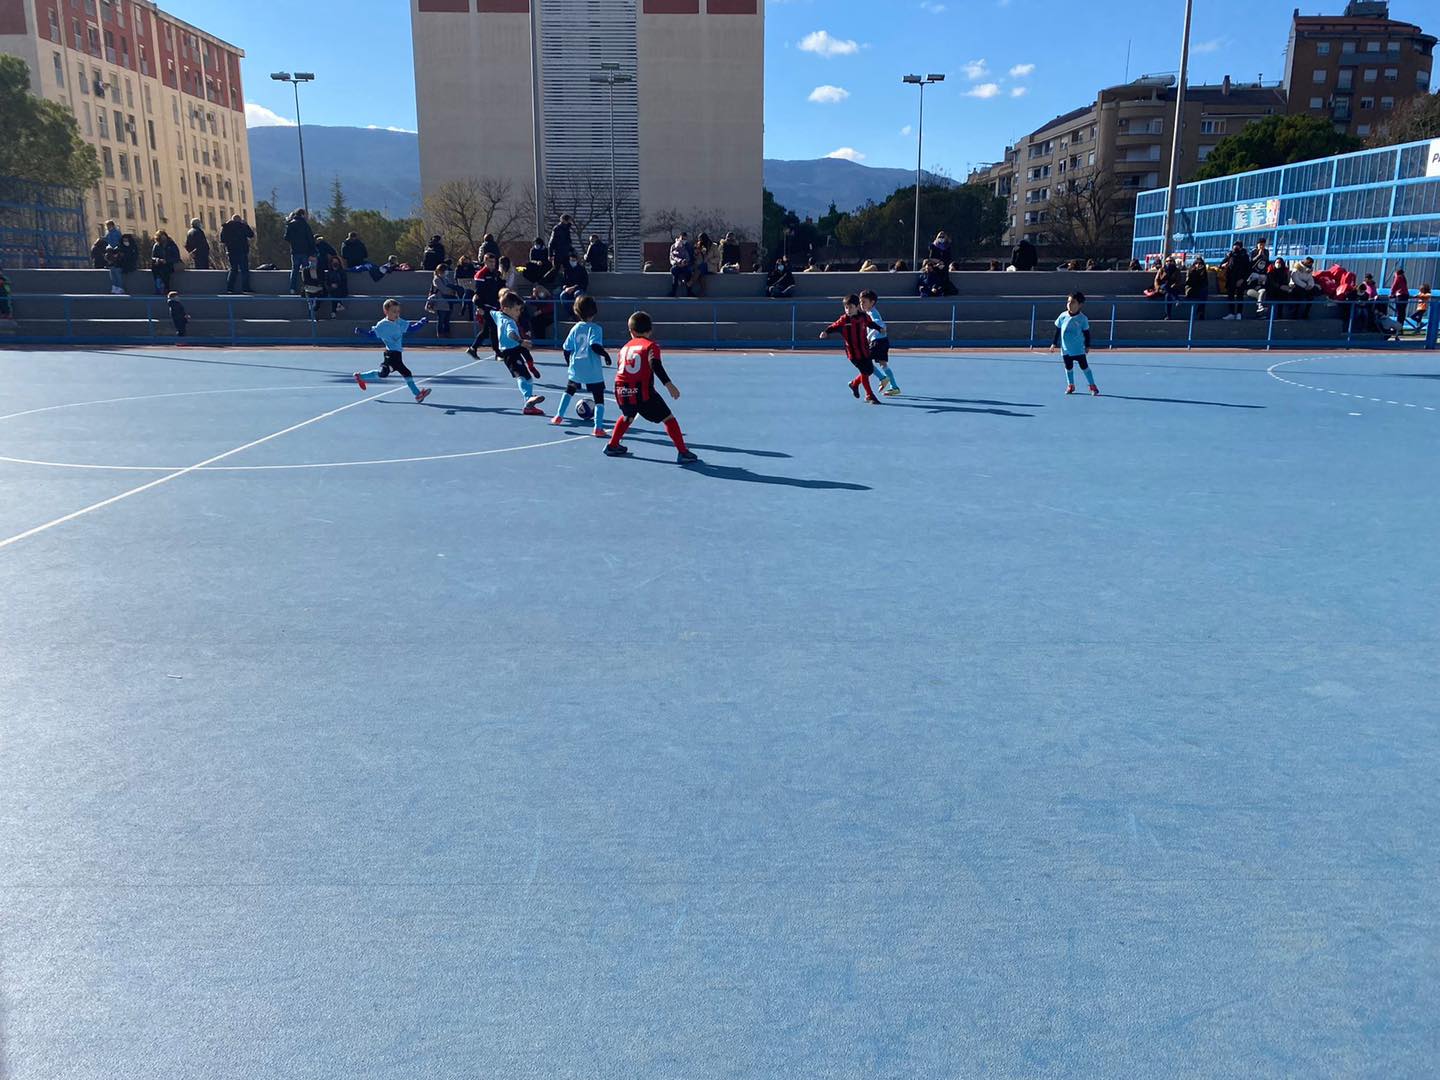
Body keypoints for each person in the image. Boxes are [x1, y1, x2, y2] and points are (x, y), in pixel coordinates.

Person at [603, 310, 698, 464]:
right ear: (650, 330)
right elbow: (655, 364)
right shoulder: (650, 346)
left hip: (620, 389)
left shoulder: (624, 348)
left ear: (631, 331)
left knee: (628, 415)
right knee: (668, 418)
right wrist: (668, 384)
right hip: (642, 391)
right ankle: (683, 452)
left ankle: (612, 445)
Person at [552, 294, 612, 436]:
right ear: (595, 311)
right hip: (592, 370)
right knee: (599, 398)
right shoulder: (596, 329)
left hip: (576, 368)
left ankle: (558, 416)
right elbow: (594, 345)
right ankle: (598, 427)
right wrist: (606, 355)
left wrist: (570, 365)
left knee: (569, 391)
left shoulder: (575, 328)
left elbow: (566, 349)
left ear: (576, 312)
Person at [352, 300, 432, 403]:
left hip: (397, 354)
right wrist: (362, 331)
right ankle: (417, 394)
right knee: (401, 373)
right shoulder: (382, 325)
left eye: (398, 311)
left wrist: (421, 323)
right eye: (394, 311)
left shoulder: (399, 321)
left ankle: (360, 376)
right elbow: (372, 334)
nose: (397, 313)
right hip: (390, 354)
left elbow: (412, 329)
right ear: (386, 311)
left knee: (388, 373)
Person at [819, 294, 882, 405]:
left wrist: (879, 328)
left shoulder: (863, 317)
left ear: (857, 306)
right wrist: (826, 332)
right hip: (853, 354)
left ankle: (854, 384)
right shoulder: (844, 320)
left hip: (865, 350)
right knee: (864, 371)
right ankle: (869, 395)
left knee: (869, 370)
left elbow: (870, 323)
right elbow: (834, 326)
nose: (848, 310)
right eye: (846, 308)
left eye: (851, 307)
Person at [493, 291, 547, 415]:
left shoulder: (498, 314)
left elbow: (491, 312)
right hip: (510, 352)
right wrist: (521, 341)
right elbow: (510, 334)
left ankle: (529, 406)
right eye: (516, 310)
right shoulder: (509, 322)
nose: (518, 313)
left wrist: (482, 309)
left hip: (514, 350)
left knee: (528, 378)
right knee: (521, 375)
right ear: (506, 309)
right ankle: (528, 398)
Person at [1050, 291, 1099, 396]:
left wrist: (1087, 345)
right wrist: (1054, 343)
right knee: (1068, 367)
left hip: (1078, 349)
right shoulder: (1062, 316)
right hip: (1065, 349)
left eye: (1073, 302)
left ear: (1080, 305)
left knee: (1084, 367)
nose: (1069, 304)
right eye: (1068, 302)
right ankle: (1070, 385)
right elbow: (1057, 330)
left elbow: (1087, 333)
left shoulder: (1083, 319)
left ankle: (1092, 386)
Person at [858, 289, 901, 397]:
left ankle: (883, 378)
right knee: (883, 364)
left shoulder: (872, 313)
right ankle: (894, 387)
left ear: (872, 302)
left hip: (878, 342)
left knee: (865, 361)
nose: (861, 304)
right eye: (860, 301)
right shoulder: (869, 312)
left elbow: (880, 325)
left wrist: (868, 337)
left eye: (864, 302)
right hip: (882, 341)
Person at [465, 252, 506, 358]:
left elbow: (499, 287)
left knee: (487, 330)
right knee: (493, 328)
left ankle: (473, 348)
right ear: (486, 262)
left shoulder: (495, 273)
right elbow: (478, 294)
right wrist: (480, 307)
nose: (493, 264)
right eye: (490, 262)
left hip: (494, 305)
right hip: (486, 306)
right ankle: (497, 352)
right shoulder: (481, 274)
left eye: (494, 262)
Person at [284, 208, 316, 294]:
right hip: (304, 251)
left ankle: (292, 288)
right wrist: (312, 250)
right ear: (302, 214)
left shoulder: (290, 224)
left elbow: (286, 237)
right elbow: (310, 238)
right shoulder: (305, 225)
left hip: (295, 251)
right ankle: (306, 288)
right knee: (305, 271)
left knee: (295, 270)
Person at [219, 214, 254, 293]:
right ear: (239, 220)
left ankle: (230, 288)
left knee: (233, 269)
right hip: (242, 251)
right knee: (244, 270)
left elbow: (222, 240)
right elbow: (251, 234)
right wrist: (246, 224)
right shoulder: (242, 226)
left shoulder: (226, 227)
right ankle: (245, 288)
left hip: (231, 251)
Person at [426, 262, 460, 337]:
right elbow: (444, 289)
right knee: (441, 320)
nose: (446, 272)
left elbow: (450, 288)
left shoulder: (446, 279)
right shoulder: (436, 279)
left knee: (447, 320)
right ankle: (440, 335)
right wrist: (451, 291)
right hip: (441, 302)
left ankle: (447, 334)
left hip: (448, 302)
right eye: (444, 270)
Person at [1220, 241, 1251, 320]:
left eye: (1237, 246)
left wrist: (1242, 279)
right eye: (1234, 246)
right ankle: (1231, 313)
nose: (1235, 248)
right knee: (1230, 295)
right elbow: (1221, 264)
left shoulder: (1245, 256)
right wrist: (1224, 265)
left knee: (1240, 296)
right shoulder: (1230, 255)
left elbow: (1248, 270)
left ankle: (1239, 313)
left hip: (1240, 279)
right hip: (1231, 279)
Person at [150, 229, 181, 295]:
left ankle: (166, 288)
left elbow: (176, 257)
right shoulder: (156, 246)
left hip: (170, 264)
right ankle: (158, 285)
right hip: (160, 263)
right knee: (154, 268)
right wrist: (158, 260)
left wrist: (167, 260)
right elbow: (153, 257)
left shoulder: (171, 244)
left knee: (165, 271)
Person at [299, 255, 328, 319]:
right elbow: (306, 281)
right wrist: (315, 282)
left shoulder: (320, 270)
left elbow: (321, 281)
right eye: (311, 261)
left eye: (314, 261)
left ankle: (314, 308)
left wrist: (314, 282)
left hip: (319, 290)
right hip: (308, 290)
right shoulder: (305, 270)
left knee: (317, 302)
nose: (312, 262)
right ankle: (312, 316)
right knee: (310, 301)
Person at [102, 219, 125, 293]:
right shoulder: (109, 233)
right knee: (112, 272)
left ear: (111, 225)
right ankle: (115, 287)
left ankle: (120, 287)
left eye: (108, 226)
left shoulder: (115, 233)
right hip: (111, 253)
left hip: (115, 252)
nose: (107, 227)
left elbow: (116, 243)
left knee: (117, 271)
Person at [668, 231, 693, 297]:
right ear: (679, 237)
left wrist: (685, 263)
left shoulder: (689, 246)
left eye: (685, 239)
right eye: (682, 239)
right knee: (674, 273)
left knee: (688, 273)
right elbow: (672, 257)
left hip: (686, 265)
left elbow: (690, 257)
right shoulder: (674, 246)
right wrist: (677, 263)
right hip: (677, 265)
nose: (683, 241)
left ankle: (689, 292)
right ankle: (673, 292)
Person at [1184, 256, 1209, 321]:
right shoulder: (1191, 270)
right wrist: (1196, 272)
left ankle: (1200, 312)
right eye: (1197, 264)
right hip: (1191, 289)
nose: (1198, 265)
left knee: (1204, 292)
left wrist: (1201, 273)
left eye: (1200, 264)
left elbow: (1205, 283)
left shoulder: (1203, 272)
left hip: (1200, 290)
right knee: (1202, 293)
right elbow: (1189, 282)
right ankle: (1200, 312)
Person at [690, 232, 713, 297]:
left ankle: (690, 283)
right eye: (699, 239)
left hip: (709, 265)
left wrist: (708, 259)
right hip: (699, 266)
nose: (699, 241)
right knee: (701, 273)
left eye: (700, 239)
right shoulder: (697, 246)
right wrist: (696, 253)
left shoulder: (713, 246)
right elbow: (694, 257)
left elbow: (717, 257)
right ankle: (703, 291)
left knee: (701, 268)